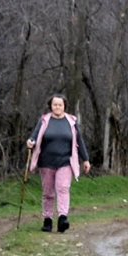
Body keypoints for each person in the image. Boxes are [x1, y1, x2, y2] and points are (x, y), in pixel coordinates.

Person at [27, 94, 90, 233]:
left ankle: (62, 218)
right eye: (55, 104)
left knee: (63, 188)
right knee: (48, 192)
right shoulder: (44, 120)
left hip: (65, 161)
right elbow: (34, 137)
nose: (57, 107)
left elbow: (79, 140)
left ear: (64, 106)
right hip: (46, 162)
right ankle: (47, 220)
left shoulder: (71, 121)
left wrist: (85, 159)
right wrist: (31, 142)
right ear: (51, 106)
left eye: (60, 105)